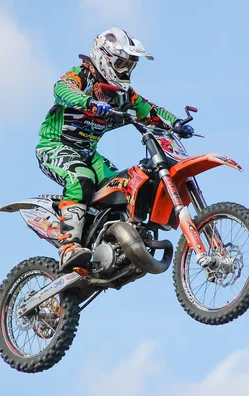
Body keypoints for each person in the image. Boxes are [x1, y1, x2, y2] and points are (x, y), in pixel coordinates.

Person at [35, 27, 195, 273]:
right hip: (55, 146)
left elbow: (149, 111)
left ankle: (108, 240)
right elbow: (61, 88)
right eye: (121, 63)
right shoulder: (83, 75)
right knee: (81, 178)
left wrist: (175, 123)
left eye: (130, 65)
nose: (125, 70)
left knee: (121, 185)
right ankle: (68, 245)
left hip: (88, 154)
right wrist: (88, 101)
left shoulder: (122, 95)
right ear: (103, 57)